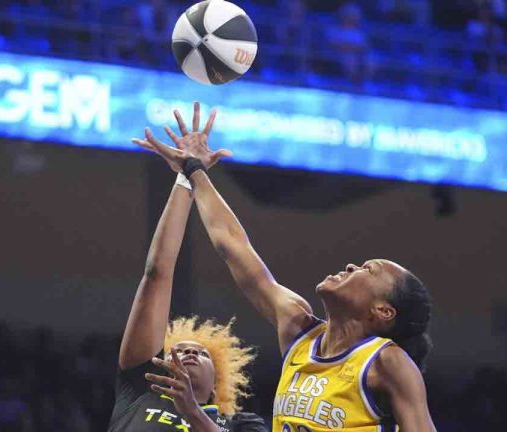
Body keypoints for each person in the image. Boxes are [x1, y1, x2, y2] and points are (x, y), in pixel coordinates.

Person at [137, 102, 437, 431]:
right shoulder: (298, 328)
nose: (352, 265)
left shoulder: (387, 362)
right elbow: (233, 246)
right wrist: (195, 169)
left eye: (369, 269)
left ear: (383, 311)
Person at [108, 105, 266, 432]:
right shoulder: (139, 390)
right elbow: (157, 274)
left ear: (218, 378)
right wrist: (186, 175)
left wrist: (194, 413)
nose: (190, 354)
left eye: (201, 353)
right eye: (178, 352)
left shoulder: (239, 423)